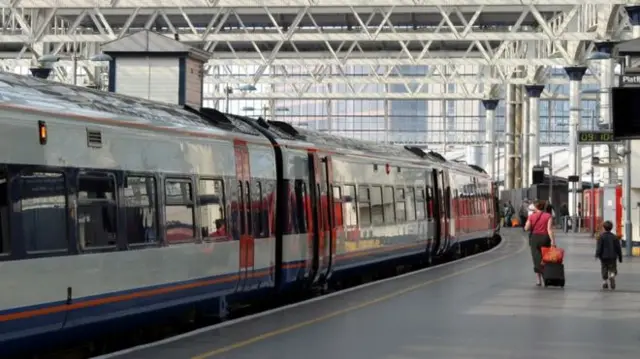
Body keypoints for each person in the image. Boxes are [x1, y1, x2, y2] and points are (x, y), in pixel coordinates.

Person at [524, 200, 555, 286]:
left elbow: (526, 228)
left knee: (536, 259)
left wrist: (528, 221)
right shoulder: (548, 216)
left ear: (536, 207)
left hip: (535, 239)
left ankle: (538, 279)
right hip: (545, 238)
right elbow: (550, 230)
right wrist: (553, 241)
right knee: (545, 258)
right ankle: (546, 276)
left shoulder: (532, 216)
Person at [595, 220, 623, 290]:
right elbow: (618, 248)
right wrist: (620, 257)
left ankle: (605, 282)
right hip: (612, 257)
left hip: (603, 257)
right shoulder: (615, 237)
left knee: (604, 268)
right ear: (611, 228)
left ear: (604, 228)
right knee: (612, 268)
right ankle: (612, 276)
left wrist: (597, 254)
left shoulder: (601, 237)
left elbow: (599, 247)